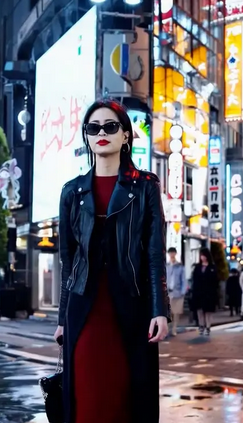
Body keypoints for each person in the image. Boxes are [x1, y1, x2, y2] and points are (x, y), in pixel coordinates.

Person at [50, 98, 169, 423]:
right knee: (87, 398)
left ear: (126, 136)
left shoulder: (146, 186)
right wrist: (62, 318)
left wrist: (159, 310)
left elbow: (154, 254)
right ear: (87, 137)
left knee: (127, 397)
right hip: (84, 308)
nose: (101, 133)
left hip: (131, 305)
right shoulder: (72, 192)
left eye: (110, 126)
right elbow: (69, 263)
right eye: (93, 128)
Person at [191, 251, 219, 336]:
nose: (202, 257)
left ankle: (208, 326)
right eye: (201, 256)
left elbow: (215, 281)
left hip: (209, 292)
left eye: (204, 255)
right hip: (198, 291)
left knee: (208, 311)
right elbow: (194, 279)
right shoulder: (197, 267)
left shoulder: (212, 267)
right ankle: (201, 326)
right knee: (200, 310)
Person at [165, 247, 187, 337]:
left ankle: (174, 329)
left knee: (176, 313)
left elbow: (183, 280)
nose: (172, 255)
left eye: (173, 253)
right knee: (168, 313)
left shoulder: (180, 266)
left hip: (177, 292)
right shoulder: (166, 266)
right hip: (168, 293)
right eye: (170, 253)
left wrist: (183, 291)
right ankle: (167, 329)